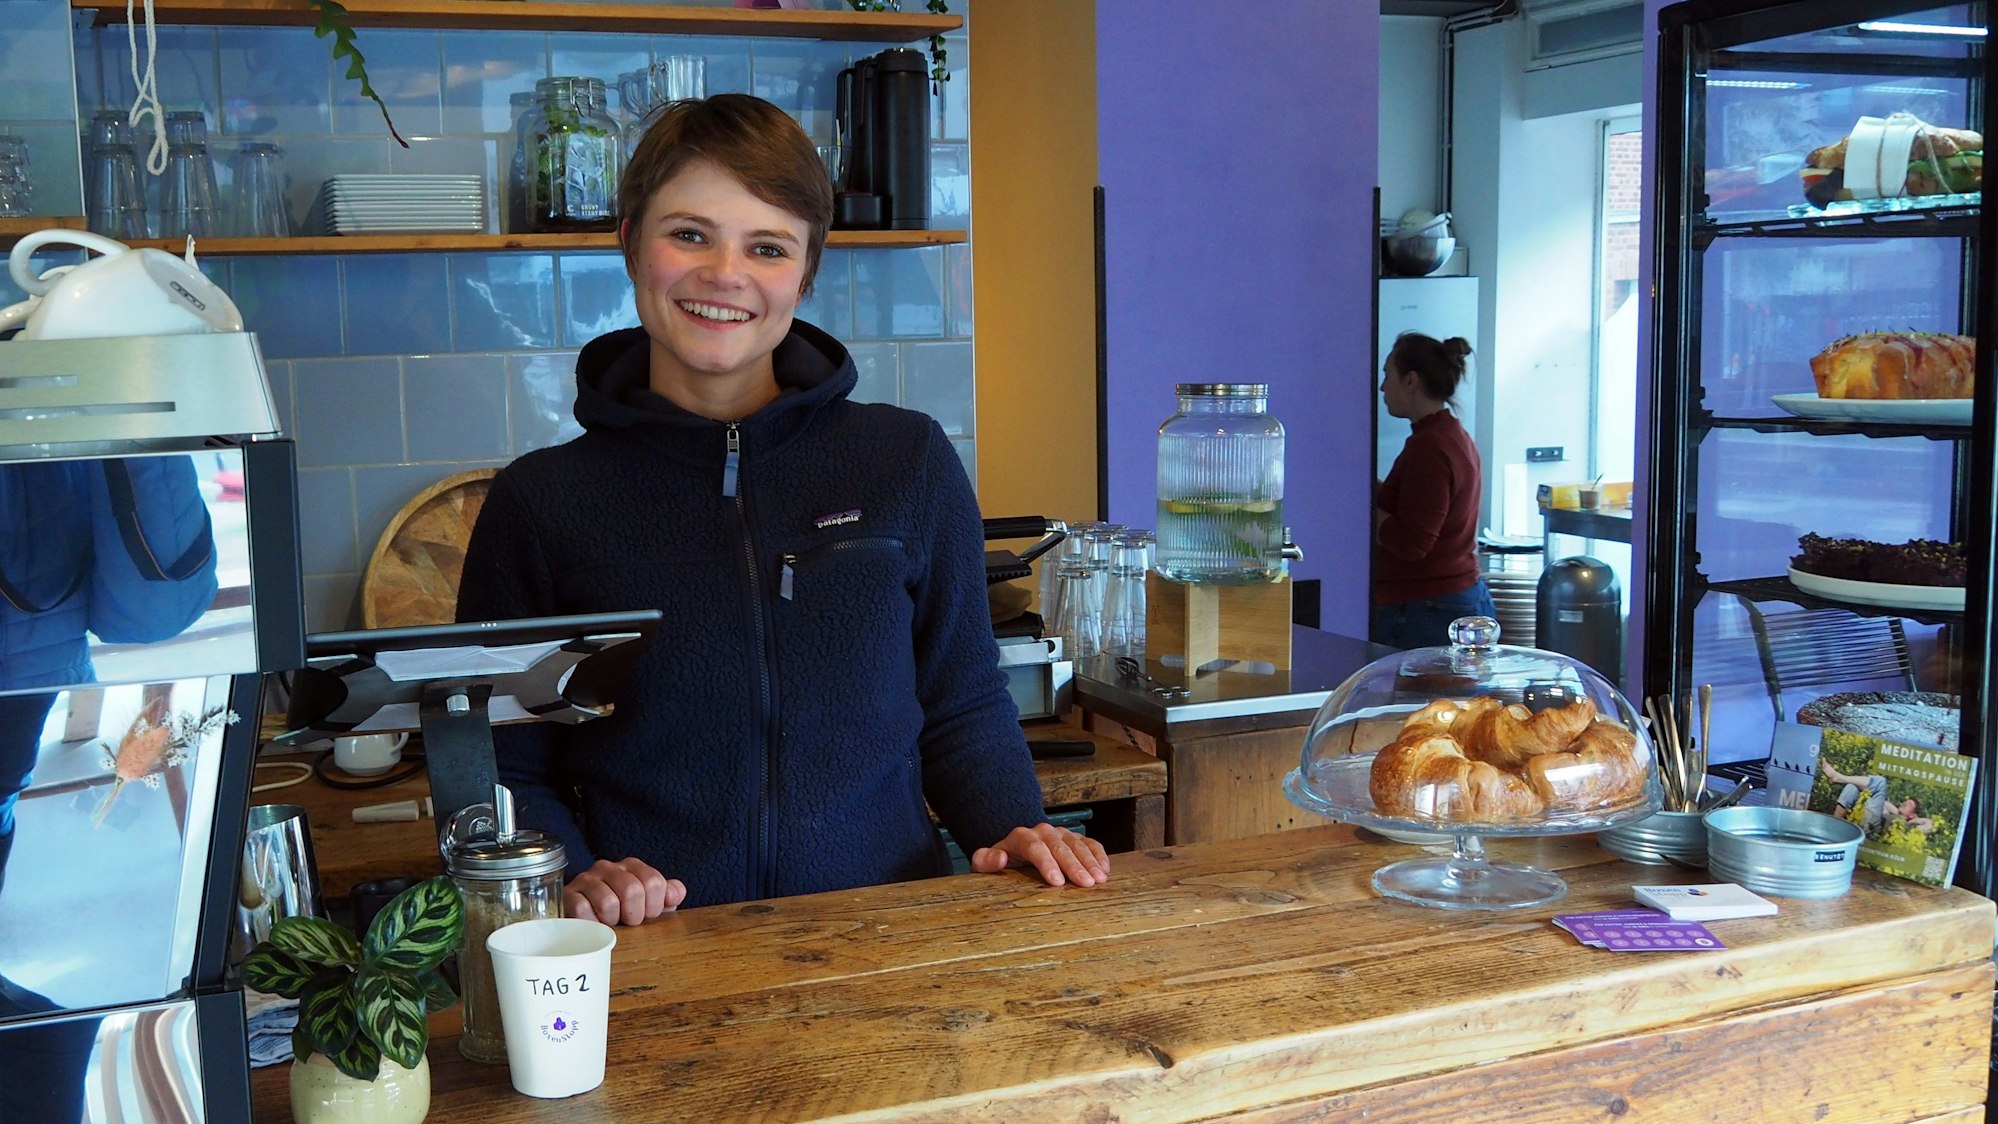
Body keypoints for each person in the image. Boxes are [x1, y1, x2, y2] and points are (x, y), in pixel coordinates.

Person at [456, 94, 1108, 926]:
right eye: (688, 233)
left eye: (766, 247)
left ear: (804, 275)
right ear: (627, 243)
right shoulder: (541, 501)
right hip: (651, 949)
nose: (725, 274)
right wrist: (573, 878)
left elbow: (963, 699)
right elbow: (504, 760)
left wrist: (1016, 829)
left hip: (887, 934)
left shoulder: (905, 460)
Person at [1371, 331, 1495, 650]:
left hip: (1427, 609)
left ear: (1411, 381)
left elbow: (1413, 542)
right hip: (1449, 598)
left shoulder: (1429, 448)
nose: (1383, 387)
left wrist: (1362, 510)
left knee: (1421, 702)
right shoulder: (1450, 435)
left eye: (1388, 375)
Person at [1821, 759, 1935, 836]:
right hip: (1865, 817)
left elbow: (1930, 824)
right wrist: (1897, 811)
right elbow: (1880, 801)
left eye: (1910, 804)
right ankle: (1833, 829)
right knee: (1852, 787)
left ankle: (1838, 777)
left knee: (1881, 782)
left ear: (1913, 814)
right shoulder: (1890, 809)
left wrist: (1911, 820)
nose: (1906, 802)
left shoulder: (1907, 826)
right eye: (1906, 801)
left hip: (1872, 828)